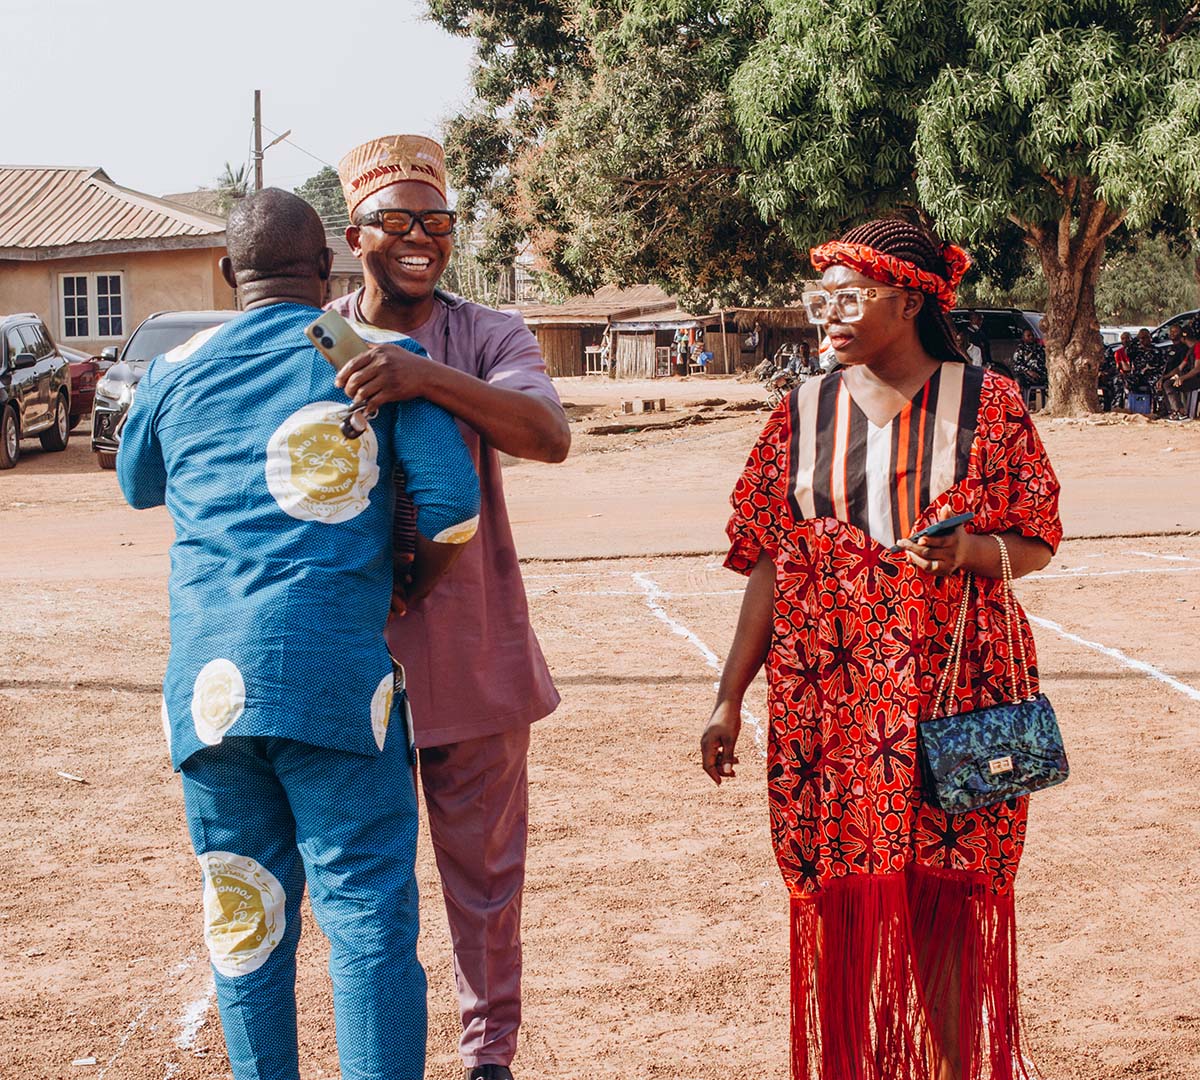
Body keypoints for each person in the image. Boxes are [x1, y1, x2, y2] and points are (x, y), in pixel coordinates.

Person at [116, 189, 481, 1080]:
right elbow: (453, 507)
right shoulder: (374, 357)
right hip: (333, 677)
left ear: (227, 272)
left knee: (245, 919)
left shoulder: (174, 368)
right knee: (366, 922)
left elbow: (136, 483)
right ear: (328, 271)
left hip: (207, 691)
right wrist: (408, 584)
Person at [701, 218, 1061, 1080]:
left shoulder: (990, 405)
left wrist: (970, 552)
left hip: (954, 692)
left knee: (946, 898)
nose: (827, 313)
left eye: (848, 296)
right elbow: (768, 564)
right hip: (828, 702)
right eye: (819, 297)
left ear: (907, 301)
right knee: (840, 905)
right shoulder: (799, 413)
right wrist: (728, 697)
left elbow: (1037, 539)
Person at [327, 135, 570, 1080]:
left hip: (474, 647)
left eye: (437, 221)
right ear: (356, 235)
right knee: (367, 885)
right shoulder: (318, 334)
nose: (419, 238)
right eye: (394, 220)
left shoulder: (490, 333)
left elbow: (546, 435)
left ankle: (488, 1057)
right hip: (354, 650)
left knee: (485, 880)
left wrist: (422, 375)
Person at [1163, 322, 1200, 420]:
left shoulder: (1198, 347)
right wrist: (1164, 377)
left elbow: (1197, 368)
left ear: (1183, 338)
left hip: (1197, 379)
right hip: (1194, 378)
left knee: (1169, 385)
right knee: (1166, 383)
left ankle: (1180, 412)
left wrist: (1182, 378)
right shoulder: (1191, 350)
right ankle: (1174, 411)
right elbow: (1179, 368)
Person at [1009, 328, 1048, 395]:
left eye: (1032, 335)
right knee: (1018, 380)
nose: (1031, 337)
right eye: (1028, 336)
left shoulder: (1040, 348)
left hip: (1041, 376)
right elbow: (1016, 366)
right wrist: (1028, 371)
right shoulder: (1020, 351)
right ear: (1023, 338)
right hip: (1028, 377)